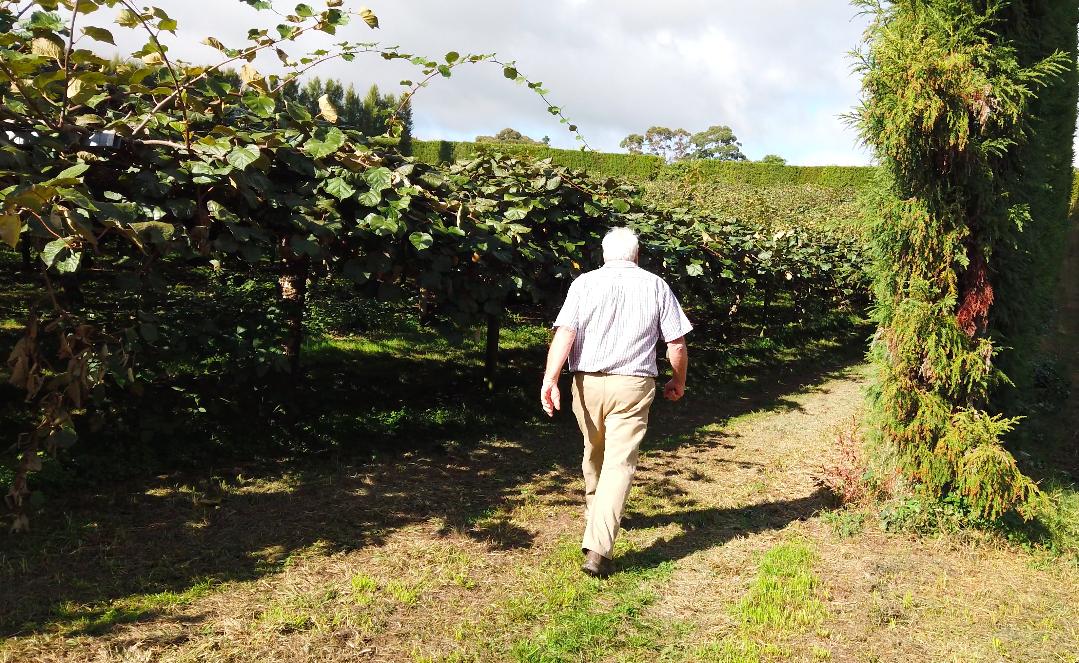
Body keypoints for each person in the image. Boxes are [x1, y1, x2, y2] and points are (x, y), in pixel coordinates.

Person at [540, 227, 692, 577]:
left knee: (595, 452)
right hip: (633, 385)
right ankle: (599, 529)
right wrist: (678, 379)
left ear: (605, 255)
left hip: (585, 383)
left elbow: (565, 332)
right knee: (618, 462)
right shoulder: (656, 285)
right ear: (637, 255)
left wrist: (550, 379)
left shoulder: (584, 283)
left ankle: (597, 540)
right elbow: (677, 344)